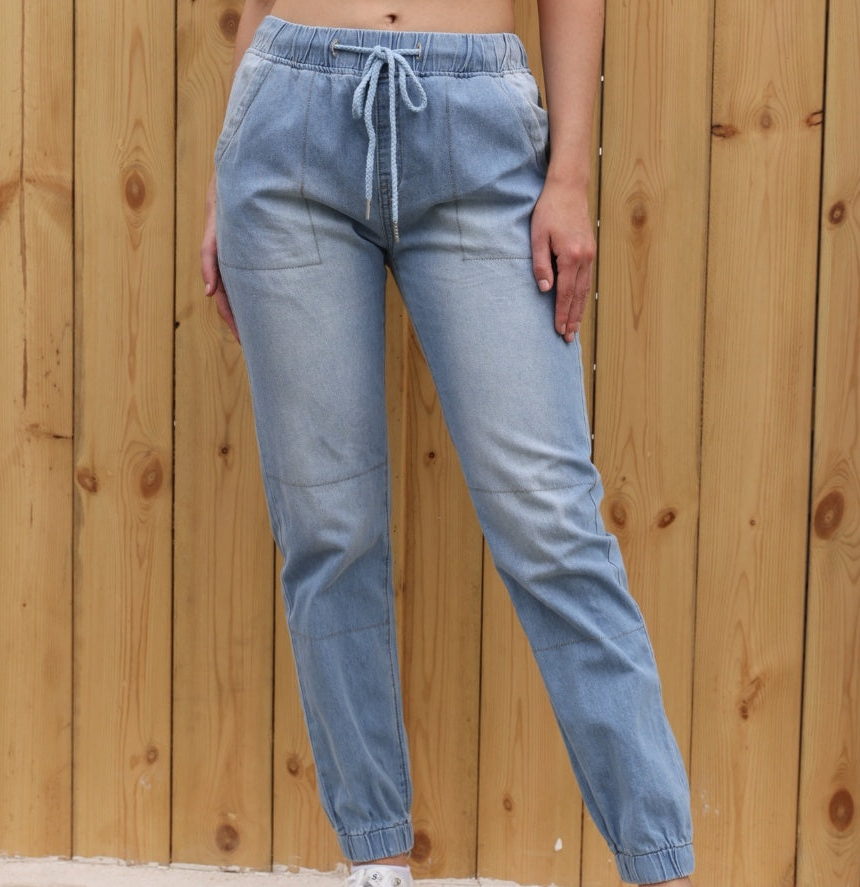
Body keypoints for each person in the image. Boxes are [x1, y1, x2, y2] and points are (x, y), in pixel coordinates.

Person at [201, 1, 695, 885]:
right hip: (284, 123)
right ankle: (377, 860)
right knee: (328, 529)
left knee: (552, 528)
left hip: (476, 127)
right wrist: (220, 182)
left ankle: (659, 865)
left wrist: (570, 176)